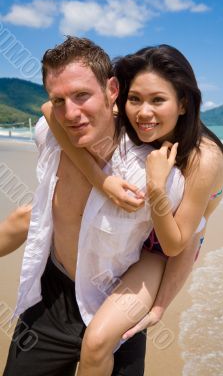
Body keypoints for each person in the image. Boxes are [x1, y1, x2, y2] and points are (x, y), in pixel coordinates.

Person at [41, 43, 223, 375]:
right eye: (136, 100)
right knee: (27, 215)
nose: (144, 112)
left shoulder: (204, 159)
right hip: (141, 232)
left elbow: (178, 244)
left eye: (158, 100)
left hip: (161, 250)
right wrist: (102, 182)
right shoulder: (131, 117)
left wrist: (156, 187)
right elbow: (48, 110)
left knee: (97, 342)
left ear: (184, 103)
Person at [3, 37, 189, 376]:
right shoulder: (49, 133)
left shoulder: (155, 173)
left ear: (112, 89)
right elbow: (35, 214)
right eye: (58, 99)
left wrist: (159, 304)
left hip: (117, 304)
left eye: (82, 96)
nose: (70, 114)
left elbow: (176, 246)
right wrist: (101, 182)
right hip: (52, 297)